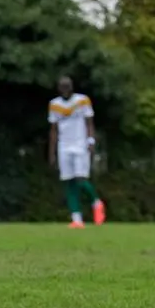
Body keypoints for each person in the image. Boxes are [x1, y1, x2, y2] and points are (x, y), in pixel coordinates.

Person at [48, 76, 106, 228]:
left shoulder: (82, 100)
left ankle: (96, 202)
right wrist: (52, 152)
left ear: (72, 87)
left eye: (67, 86)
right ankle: (76, 219)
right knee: (68, 181)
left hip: (80, 144)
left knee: (81, 179)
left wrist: (91, 141)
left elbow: (89, 122)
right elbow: (53, 129)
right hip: (64, 145)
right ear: (59, 89)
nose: (65, 89)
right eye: (62, 87)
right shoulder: (54, 104)